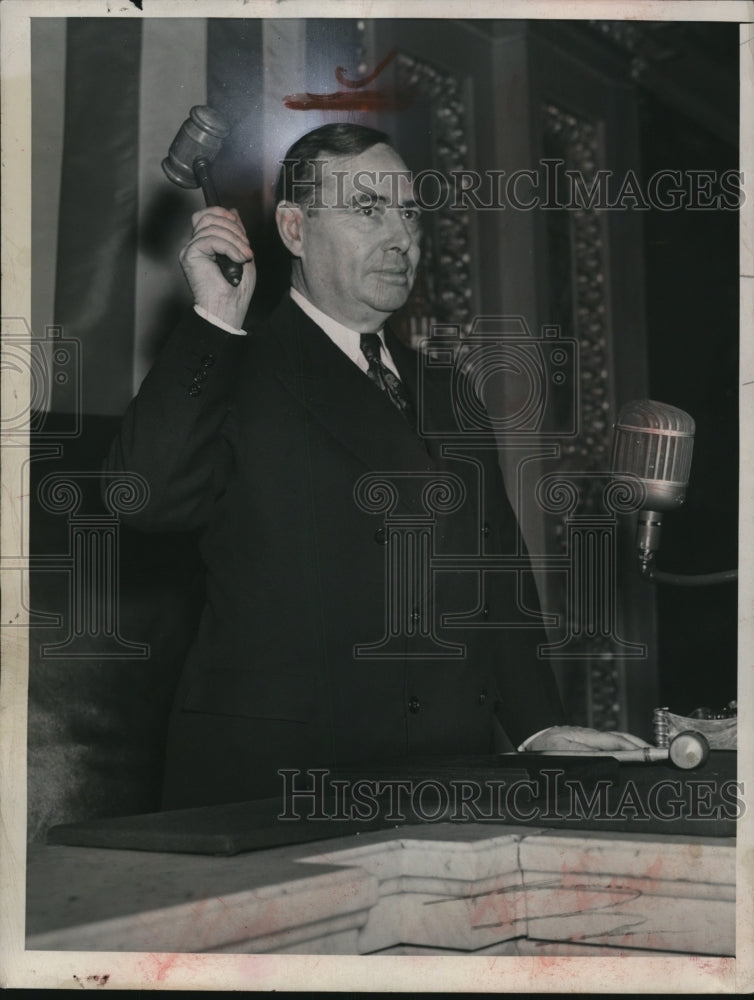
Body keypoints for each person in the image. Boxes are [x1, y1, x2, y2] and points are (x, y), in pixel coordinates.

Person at [108, 123, 648, 809]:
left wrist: (538, 728)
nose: (401, 237)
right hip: (275, 793)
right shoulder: (233, 363)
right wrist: (216, 321)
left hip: (445, 783)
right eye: (368, 209)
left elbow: (497, 587)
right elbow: (145, 499)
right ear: (295, 230)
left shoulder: (451, 392)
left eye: (409, 213)